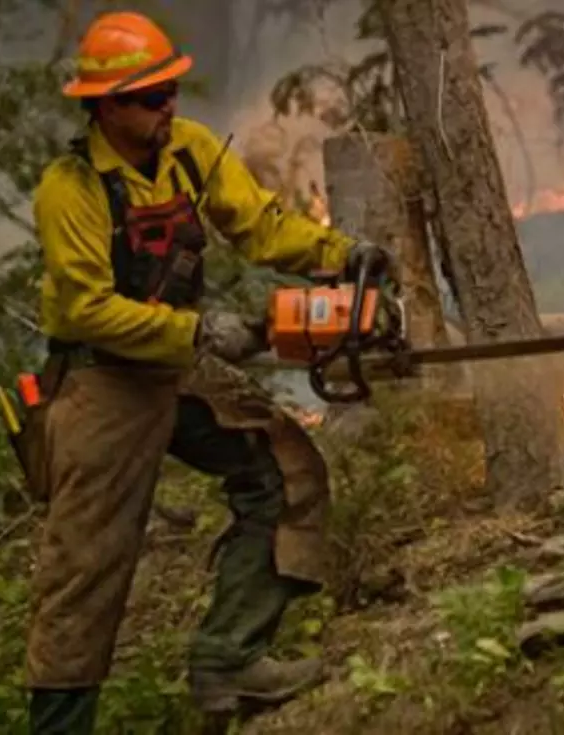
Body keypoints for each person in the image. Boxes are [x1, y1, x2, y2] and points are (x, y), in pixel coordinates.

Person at [25, 10, 389, 733]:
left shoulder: (189, 152)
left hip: (178, 365)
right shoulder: (70, 189)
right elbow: (88, 310)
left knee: (286, 471)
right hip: (102, 380)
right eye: (150, 96)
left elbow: (259, 224)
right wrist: (201, 330)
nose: (168, 106)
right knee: (86, 569)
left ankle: (229, 658)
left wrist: (338, 255)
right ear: (105, 105)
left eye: (169, 91)